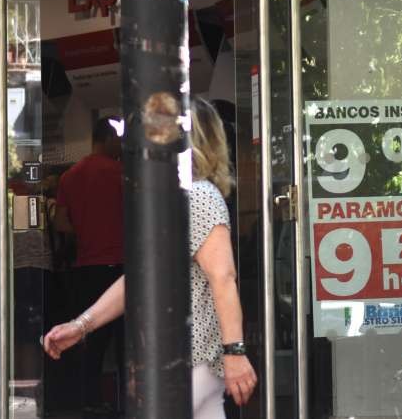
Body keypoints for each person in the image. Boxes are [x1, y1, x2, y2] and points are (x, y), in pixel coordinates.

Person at [44, 97, 258, 419]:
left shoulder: (197, 197)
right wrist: (81, 325)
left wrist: (235, 353)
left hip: (186, 364)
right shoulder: (180, 199)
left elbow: (223, 277)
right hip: (185, 364)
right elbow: (140, 279)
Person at [54, 117, 125, 415]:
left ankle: (90, 401)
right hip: (120, 266)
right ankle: (127, 401)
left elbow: (60, 222)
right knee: (126, 342)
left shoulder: (69, 176)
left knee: (92, 340)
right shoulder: (122, 173)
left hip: (87, 266)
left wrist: (84, 232)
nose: (121, 145)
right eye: (118, 139)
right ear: (107, 138)